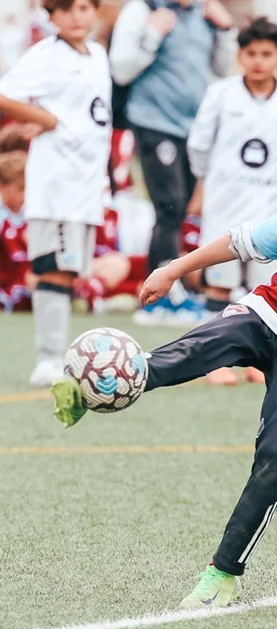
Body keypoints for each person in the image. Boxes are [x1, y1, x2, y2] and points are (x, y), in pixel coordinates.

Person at [52, 129, 277, 608]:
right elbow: (242, 241)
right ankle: (86, 390)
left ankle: (223, 573)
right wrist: (173, 268)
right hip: (265, 316)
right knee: (183, 356)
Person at [187, 17, 277, 386]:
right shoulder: (222, 94)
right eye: (251, 53)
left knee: (268, 289)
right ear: (240, 55)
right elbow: (198, 144)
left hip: (270, 209)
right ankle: (213, 361)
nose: (258, 61)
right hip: (225, 204)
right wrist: (207, 181)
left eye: (267, 54)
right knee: (219, 284)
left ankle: (259, 360)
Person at [0, 0, 112, 387]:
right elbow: (5, 93)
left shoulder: (97, 53)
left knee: (73, 272)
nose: (76, 16)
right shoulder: (45, 54)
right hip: (57, 183)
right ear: (51, 16)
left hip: (87, 184)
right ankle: (48, 359)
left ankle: (65, 355)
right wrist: (42, 119)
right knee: (53, 269)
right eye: (66, 10)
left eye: (84, 7)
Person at [109, 0, 238, 323]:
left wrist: (224, 31)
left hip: (194, 128)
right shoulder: (141, 11)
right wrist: (152, 34)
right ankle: (160, 298)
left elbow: (223, 71)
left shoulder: (202, 14)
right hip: (153, 122)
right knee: (169, 205)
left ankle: (173, 290)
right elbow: (120, 70)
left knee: (183, 209)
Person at [0, 150, 31, 312]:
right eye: (21, 189)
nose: (26, 195)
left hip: (26, 282)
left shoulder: (30, 214)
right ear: (2, 186)